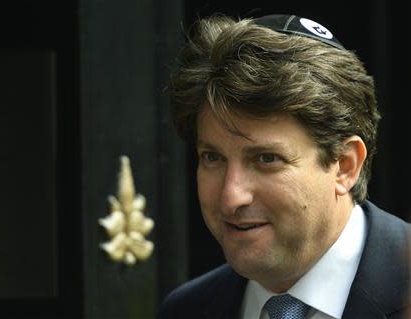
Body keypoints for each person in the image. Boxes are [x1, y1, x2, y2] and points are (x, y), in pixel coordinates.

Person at [158, 13, 411, 319]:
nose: (231, 197)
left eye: (266, 159)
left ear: (345, 165)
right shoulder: (186, 310)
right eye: (213, 157)